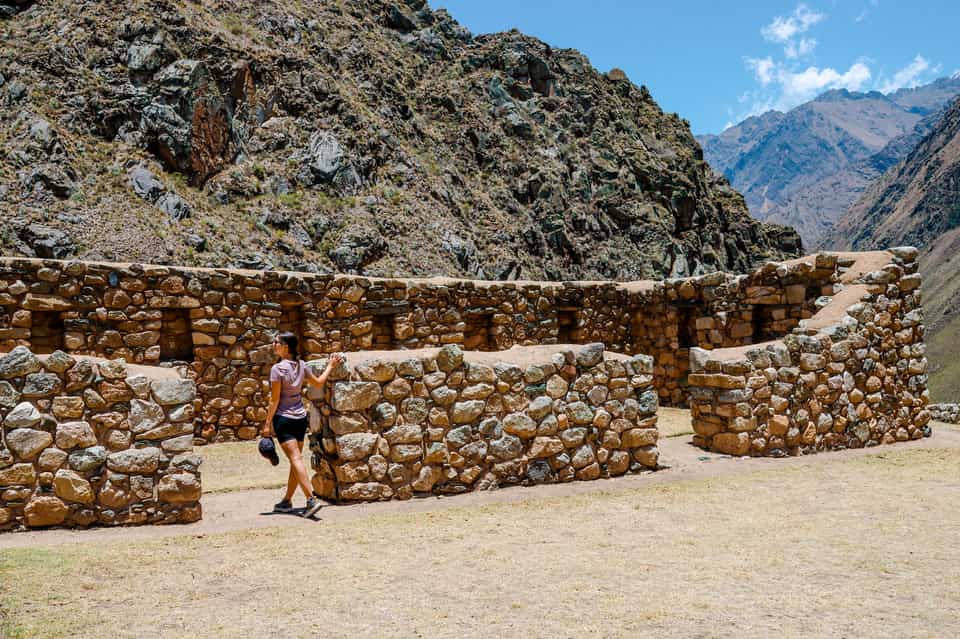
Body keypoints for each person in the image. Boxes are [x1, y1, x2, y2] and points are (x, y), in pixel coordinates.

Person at [261, 332, 344, 518]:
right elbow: (319, 382)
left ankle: (310, 500)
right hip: (300, 419)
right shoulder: (302, 365)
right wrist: (331, 365)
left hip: (283, 419)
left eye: (277, 342)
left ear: (286, 347)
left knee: (295, 460)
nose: (274, 344)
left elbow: (274, 401)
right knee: (295, 460)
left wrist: (267, 425)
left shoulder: (277, 369)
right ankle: (287, 501)